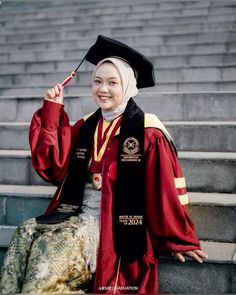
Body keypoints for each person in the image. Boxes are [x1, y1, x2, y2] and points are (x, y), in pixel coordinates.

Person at [0, 35, 207, 294]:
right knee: (24, 233)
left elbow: (163, 190)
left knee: (47, 261)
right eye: (97, 81)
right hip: (72, 214)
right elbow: (52, 168)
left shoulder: (148, 132)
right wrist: (52, 110)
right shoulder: (85, 126)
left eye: (112, 82)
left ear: (129, 86)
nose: (103, 89)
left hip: (110, 227)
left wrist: (179, 239)